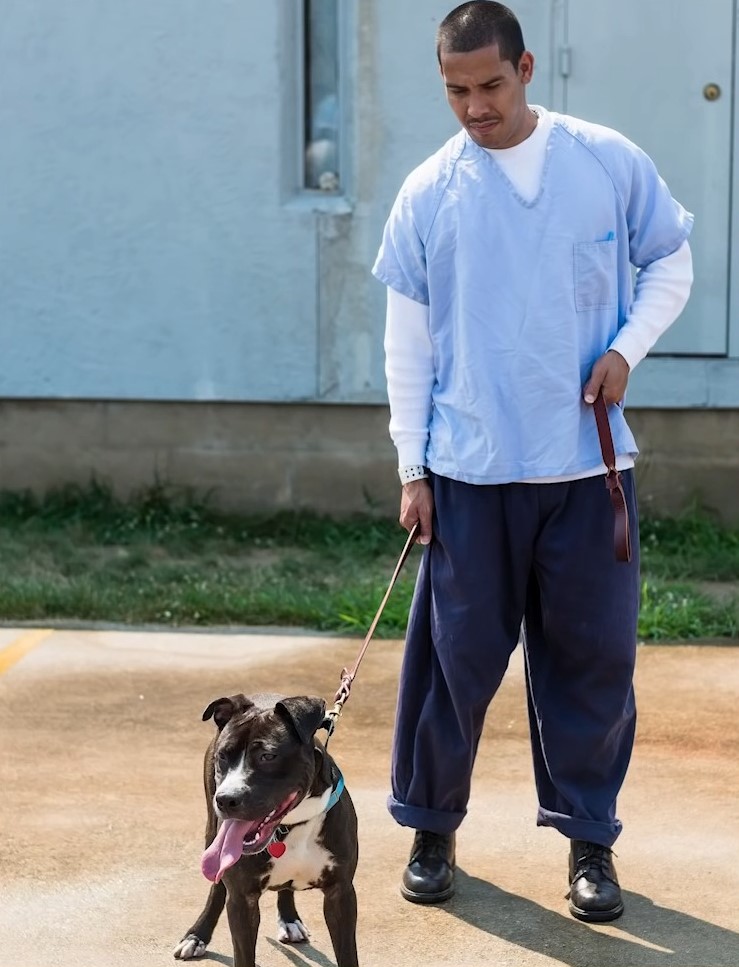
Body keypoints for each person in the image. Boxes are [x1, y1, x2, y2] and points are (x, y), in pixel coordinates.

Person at [372, 0, 693, 922]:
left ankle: (589, 841)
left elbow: (670, 260)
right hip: (470, 473)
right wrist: (411, 467)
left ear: (524, 69)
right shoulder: (429, 191)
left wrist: (627, 346)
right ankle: (433, 829)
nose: (473, 107)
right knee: (450, 663)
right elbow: (409, 343)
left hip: (585, 473)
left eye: (488, 85)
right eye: (454, 91)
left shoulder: (603, 160)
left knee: (591, 665)